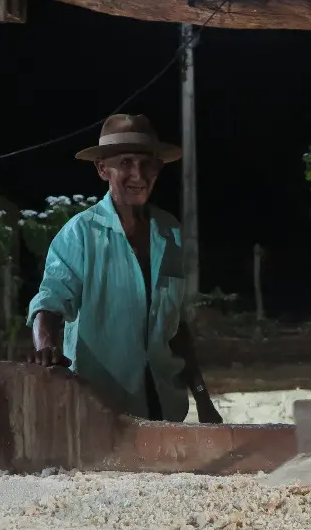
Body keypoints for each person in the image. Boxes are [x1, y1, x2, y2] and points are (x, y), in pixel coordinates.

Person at [27, 114, 221, 423]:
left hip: (166, 410)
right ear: (102, 169)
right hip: (99, 411)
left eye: (148, 164)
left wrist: (202, 398)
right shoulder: (79, 234)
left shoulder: (169, 231)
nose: (139, 175)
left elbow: (174, 327)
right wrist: (46, 348)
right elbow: (49, 304)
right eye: (126, 163)